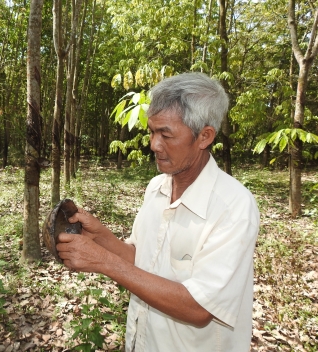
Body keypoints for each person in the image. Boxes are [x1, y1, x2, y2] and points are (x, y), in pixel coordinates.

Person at [56, 72, 260, 351]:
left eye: (166, 134)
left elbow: (199, 308)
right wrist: (102, 237)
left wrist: (104, 262)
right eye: (152, 131)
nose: (154, 144)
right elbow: (142, 260)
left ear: (205, 136)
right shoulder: (156, 188)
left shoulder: (234, 206)